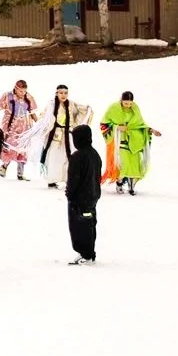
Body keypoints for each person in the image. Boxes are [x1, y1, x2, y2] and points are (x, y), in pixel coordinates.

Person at [102, 91, 155, 192]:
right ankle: (119, 183)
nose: (128, 105)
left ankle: (132, 186)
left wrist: (150, 130)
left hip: (135, 142)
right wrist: (117, 127)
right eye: (126, 103)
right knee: (123, 165)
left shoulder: (135, 109)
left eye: (130, 103)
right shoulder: (114, 109)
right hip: (120, 141)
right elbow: (104, 124)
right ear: (121, 100)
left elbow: (140, 125)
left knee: (135, 167)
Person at [65, 125, 101, 263]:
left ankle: (86, 254)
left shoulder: (77, 156)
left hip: (79, 199)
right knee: (89, 224)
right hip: (92, 196)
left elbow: (73, 179)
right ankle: (88, 253)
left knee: (79, 226)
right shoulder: (95, 154)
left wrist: (69, 194)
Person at [0, 79, 37, 179]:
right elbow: (0, 106)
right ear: (16, 89)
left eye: (24, 91)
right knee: (9, 147)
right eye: (21, 91)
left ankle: (20, 173)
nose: (23, 93)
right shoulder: (8, 96)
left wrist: (38, 123)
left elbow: (32, 112)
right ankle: (4, 166)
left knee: (22, 148)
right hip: (10, 126)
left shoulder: (28, 97)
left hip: (24, 126)